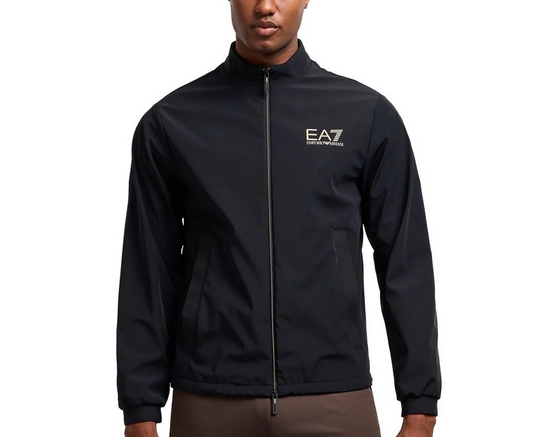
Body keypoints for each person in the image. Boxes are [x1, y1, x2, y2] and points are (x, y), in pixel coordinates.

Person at [116, 0, 442, 436]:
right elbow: (148, 270)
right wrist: (140, 408)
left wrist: (419, 407)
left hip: (335, 397)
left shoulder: (365, 115)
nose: (265, 6)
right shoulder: (172, 122)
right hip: (209, 400)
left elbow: (405, 261)